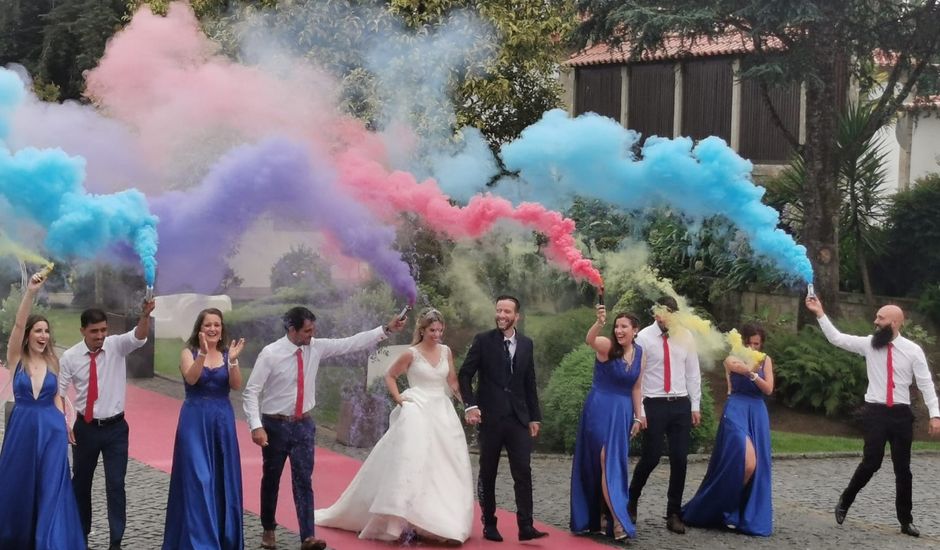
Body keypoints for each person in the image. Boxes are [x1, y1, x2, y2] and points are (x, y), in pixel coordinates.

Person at [243, 306, 407, 550]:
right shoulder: (271, 354)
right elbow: (251, 391)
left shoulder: (316, 347)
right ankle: (268, 528)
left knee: (303, 481)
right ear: (292, 330)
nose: (312, 334)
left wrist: (385, 330)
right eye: (307, 331)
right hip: (275, 425)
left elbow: (350, 343)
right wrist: (256, 427)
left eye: (313, 329)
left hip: (303, 426)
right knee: (272, 479)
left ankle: (307, 537)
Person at [315, 308, 473, 543]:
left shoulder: (446, 351)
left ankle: (440, 519)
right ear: (422, 330)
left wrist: (469, 405)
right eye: (432, 330)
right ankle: (398, 517)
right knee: (412, 461)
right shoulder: (411, 353)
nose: (437, 334)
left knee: (445, 463)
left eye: (440, 330)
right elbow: (390, 375)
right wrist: (399, 398)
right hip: (417, 408)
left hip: (442, 411)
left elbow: (451, 381)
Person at [805, 294, 940, 537]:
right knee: (872, 462)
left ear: (895, 323)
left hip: (900, 414)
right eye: (876, 317)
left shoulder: (913, 351)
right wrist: (820, 313)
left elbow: (926, 384)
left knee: (903, 469)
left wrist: (935, 415)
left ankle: (905, 521)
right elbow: (837, 339)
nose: (875, 321)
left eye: (881, 318)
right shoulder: (869, 344)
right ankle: (845, 500)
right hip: (876, 412)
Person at [59, 294, 155, 550]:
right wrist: (65, 423)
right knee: (81, 483)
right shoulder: (69, 357)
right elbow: (59, 393)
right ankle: (81, 536)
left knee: (116, 484)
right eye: (94, 332)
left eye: (103, 330)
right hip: (85, 429)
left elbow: (138, 336)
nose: (100, 335)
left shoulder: (115, 345)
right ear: (83, 331)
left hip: (116, 429)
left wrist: (145, 315)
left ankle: (116, 542)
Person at [0, 271, 84, 548]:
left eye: (47, 331)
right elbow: (17, 324)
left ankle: (48, 540)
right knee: (20, 483)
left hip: (50, 430)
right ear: (27, 336)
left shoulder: (53, 363)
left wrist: (65, 423)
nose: (44, 335)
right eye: (38, 331)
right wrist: (31, 293)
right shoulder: (16, 359)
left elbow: (57, 398)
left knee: (51, 485)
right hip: (22, 429)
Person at [458, 295, 548, 543]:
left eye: (507, 311)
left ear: (516, 316)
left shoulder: (527, 344)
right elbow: (465, 375)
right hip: (491, 418)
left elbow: (529, 382)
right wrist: (470, 406)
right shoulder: (483, 341)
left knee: (523, 471)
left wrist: (534, 417)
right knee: (488, 472)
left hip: (518, 418)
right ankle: (489, 523)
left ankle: (526, 525)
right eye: (499, 310)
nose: (501, 315)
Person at [162, 308, 245, 549]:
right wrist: (203, 355)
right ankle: (200, 542)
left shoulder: (228, 354)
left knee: (222, 477)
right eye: (208, 325)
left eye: (216, 325)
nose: (212, 329)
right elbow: (191, 378)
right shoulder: (188, 352)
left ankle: (223, 537)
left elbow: (237, 385)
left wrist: (233, 361)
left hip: (222, 421)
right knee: (200, 478)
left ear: (221, 329)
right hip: (194, 421)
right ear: (200, 328)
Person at [682, 323, 774, 536]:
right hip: (736, 409)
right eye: (749, 343)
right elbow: (738, 367)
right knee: (747, 461)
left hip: (757, 411)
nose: (752, 347)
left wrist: (755, 374)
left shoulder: (766, 359)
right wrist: (750, 369)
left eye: (756, 344)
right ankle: (722, 505)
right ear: (742, 342)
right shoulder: (733, 357)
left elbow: (768, 388)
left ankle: (733, 508)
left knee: (754, 466)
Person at [570, 305, 646, 541]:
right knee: (604, 458)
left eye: (625, 327)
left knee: (610, 463)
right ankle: (616, 521)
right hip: (600, 408)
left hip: (622, 411)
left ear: (635, 330)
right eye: (617, 326)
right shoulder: (607, 346)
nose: (620, 330)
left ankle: (605, 517)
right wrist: (600, 322)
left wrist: (639, 415)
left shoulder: (640, 353)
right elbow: (590, 339)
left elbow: (636, 387)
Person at [628, 295, 702, 534]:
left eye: (670, 313)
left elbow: (693, 372)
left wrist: (695, 405)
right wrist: (639, 411)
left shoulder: (686, 337)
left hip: (680, 403)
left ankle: (673, 513)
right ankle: (631, 501)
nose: (665, 317)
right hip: (654, 404)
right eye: (661, 312)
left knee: (680, 459)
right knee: (651, 457)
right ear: (654, 314)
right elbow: (636, 378)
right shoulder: (643, 338)